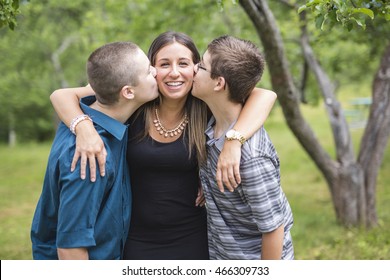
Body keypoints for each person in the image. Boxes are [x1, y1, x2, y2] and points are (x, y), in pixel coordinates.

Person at [49, 31, 278, 259]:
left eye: (184, 63)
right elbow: (61, 95)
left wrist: (234, 140)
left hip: (192, 237)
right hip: (134, 238)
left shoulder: (206, 105)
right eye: (164, 64)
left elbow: (265, 95)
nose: (174, 73)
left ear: (196, 69)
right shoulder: (136, 98)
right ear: (152, 69)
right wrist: (83, 128)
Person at [30, 41, 159, 260]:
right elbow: (70, 250)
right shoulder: (89, 157)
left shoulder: (83, 114)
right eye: (148, 71)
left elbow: (61, 94)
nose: (155, 71)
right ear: (128, 92)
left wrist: (82, 124)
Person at [192, 35, 294, 259]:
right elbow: (263, 94)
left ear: (219, 83)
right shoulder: (213, 122)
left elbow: (273, 230)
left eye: (200, 66)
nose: (192, 69)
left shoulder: (251, 159)